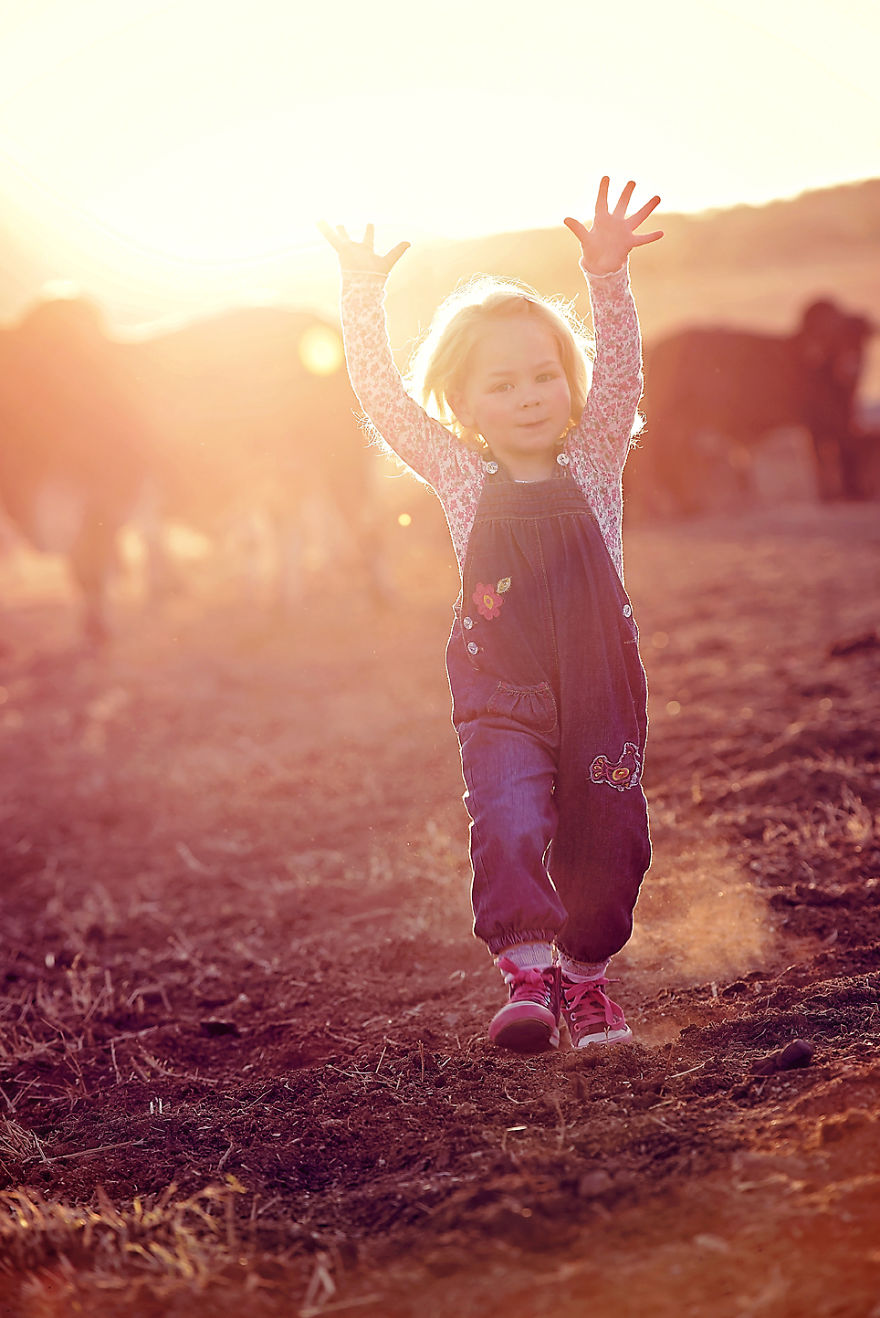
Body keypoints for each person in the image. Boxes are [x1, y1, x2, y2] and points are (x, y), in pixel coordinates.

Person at [319, 178, 663, 1053]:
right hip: (500, 684)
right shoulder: (462, 475)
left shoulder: (592, 459)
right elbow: (385, 401)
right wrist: (363, 294)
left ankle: (587, 987)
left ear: (570, 382)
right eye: (502, 384)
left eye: (545, 374)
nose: (528, 394)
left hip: (599, 683)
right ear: (466, 406)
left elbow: (621, 370)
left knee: (609, 841)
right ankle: (527, 974)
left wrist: (608, 276)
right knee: (506, 822)